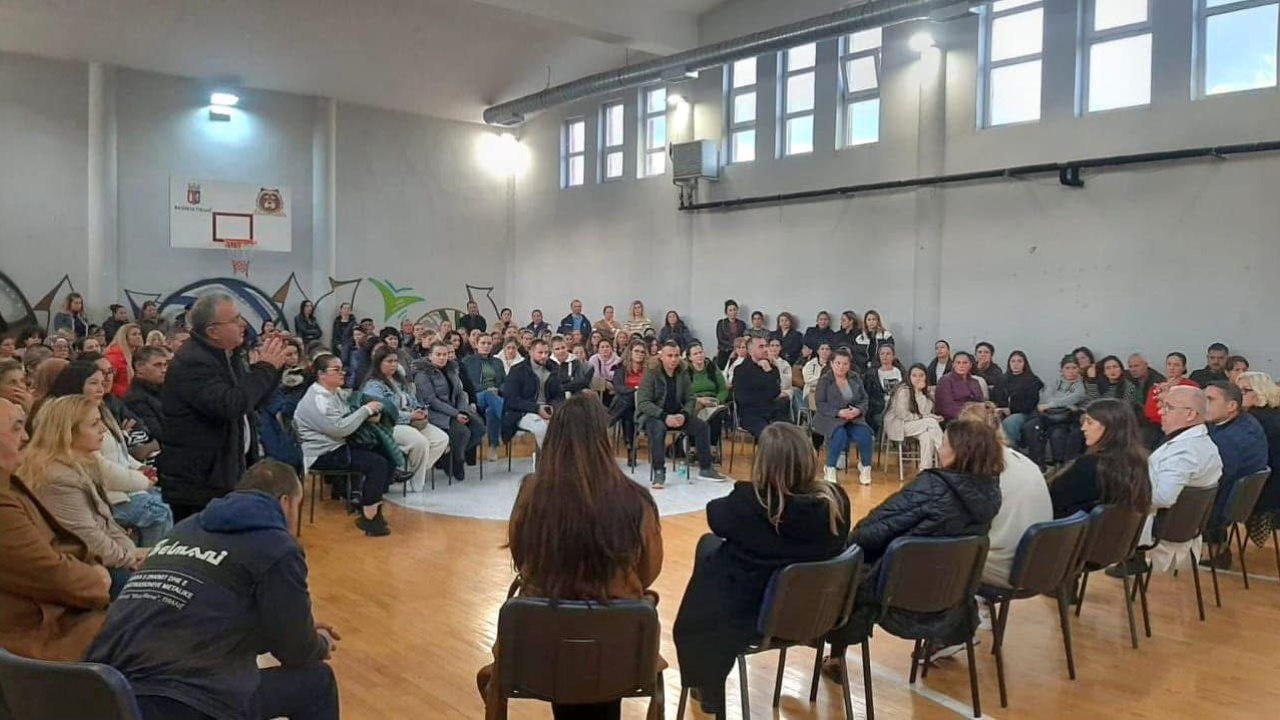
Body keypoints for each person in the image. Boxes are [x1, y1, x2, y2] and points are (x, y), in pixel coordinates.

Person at [86, 460, 340, 720]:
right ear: (285, 502)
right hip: (182, 701)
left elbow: (207, 620)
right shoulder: (277, 547)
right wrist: (316, 642)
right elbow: (295, 651)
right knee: (317, 682)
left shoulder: (184, 530)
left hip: (103, 694)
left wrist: (294, 626)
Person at [477, 394, 662, 720]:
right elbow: (648, 572)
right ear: (603, 439)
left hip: (544, 642)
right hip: (616, 644)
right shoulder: (637, 499)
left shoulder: (531, 493)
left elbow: (522, 560)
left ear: (555, 439)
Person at [674, 424, 849, 715]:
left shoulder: (748, 506)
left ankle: (706, 682)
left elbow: (715, 515)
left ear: (763, 463)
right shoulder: (835, 504)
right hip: (816, 613)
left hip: (757, 617)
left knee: (709, 548)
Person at [822, 419, 1003, 674]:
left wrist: (848, 543)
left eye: (945, 444)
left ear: (960, 452)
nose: (939, 449)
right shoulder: (990, 493)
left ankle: (836, 656)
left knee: (849, 563)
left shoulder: (932, 487)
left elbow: (872, 529)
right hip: (950, 596)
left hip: (897, 595)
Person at [0, 397, 111, 661]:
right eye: (16, 428)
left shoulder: (9, 484)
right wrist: (97, 579)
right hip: (43, 633)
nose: (25, 436)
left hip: (64, 609)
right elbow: (46, 573)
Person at [158, 293, 286, 522]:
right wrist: (265, 368)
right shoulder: (193, 362)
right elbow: (230, 405)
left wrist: (274, 367)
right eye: (235, 319)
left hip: (227, 472)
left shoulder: (228, 355)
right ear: (213, 331)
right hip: (200, 483)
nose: (243, 324)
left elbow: (252, 401)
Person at [20, 395, 149, 589]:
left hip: (101, 557)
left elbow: (105, 523)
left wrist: (132, 552)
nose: (103, 429)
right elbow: (87, 537)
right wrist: (130, 559)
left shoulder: (82, 463)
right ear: (69, 432)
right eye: (94, 424)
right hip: (79, 567)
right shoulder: (59, 477)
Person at [45, 362, 173, 547]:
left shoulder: (102, 409)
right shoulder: (70, 419)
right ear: (76, 384)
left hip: (122, 487)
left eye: (103, 379)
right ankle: (152, 561)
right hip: (109, 495)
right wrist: (142, 480)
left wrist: (140, 468)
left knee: (167, 496)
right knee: (159, 512)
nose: (102, 386)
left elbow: (121, 449)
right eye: (93, 383)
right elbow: (99, 468)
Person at [956, 403, 1052, 588]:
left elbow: (959, 522)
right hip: (1037, 562)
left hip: (1005, 567)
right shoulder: (1023, 460)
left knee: (926, 555)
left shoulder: (982, 466)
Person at [1129, 385, 1223, 575]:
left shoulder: (1185, 452)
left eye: (1168, 407)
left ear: (1190, 414)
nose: (1160, 412)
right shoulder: (1201, 443)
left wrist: (1124, 490)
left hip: (1162, 527)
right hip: (1183, 525)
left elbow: (1164, 497)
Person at [295, 354, 391, 536]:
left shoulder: (334, 392)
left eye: (342, 369)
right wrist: (366, 410)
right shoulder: (318, 399)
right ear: (321, 374)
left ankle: (370, 504)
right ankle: (369, 517)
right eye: (336, 370)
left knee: (383, 451)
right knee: (377, 464)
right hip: (323, 454)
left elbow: (347, 413)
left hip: (337, 446)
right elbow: (339, 429)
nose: (343, 373)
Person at [636, 343, 725, 488]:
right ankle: (659, 471)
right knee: (658, 429)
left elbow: (690, 398)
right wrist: (665, 416)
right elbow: (643, 402)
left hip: (678, 415)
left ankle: (706, 468)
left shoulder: (682, 373)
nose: (674, 359)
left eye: (676, 355)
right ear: (661, 357)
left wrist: (684, 414)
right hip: (655, 415)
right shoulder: (651, 374)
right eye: (670, 356)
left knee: (702, 427)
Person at [1047, 398, 1152, 520]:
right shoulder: (1138, 463)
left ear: (1109, 426)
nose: (1083, 428)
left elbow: (1052, 499)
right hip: (1116, 530)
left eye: (1089, 422)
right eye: (1083, 421)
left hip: (1071, 529)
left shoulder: (1089, 466)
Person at [1202, 381, 1269, 569]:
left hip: (1219, 506)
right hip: (1235, 503)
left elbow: (1213, 477)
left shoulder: (1229, 440)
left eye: (1210, 399)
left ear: (1231, 406)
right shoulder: (1246, 423)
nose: (1203, 404)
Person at [362, 346, 449, 491]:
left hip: (412, 420)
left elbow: (412, 400)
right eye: (389, 361)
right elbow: (383, 411)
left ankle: (408, 474)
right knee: (420, 442)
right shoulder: (373, 386)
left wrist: (420, 409)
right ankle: (415, 484)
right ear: (379, 363)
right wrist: (409, 416)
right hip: (390, 424)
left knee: (441, 439)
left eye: (395, 361)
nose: (394, 365)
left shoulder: (399, 381)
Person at [414, 342, 484, 482]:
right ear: (430, 356)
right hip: (436, 413)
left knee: (479, 428)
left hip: (456, 410)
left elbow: (461, 393)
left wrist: (462, 411)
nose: (442, 358)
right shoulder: (422, 374)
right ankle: (458, 461)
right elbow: (432, 400)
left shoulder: (452, 369)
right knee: (462, 433)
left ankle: (449, 455)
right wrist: (455, 414)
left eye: (445, 354)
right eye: (438, 354)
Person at [812, 349, 875, 485]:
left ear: (849, 365)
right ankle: (830, 467)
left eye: (845, 364)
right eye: (838, 363)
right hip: (830, 418)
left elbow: (864, 399)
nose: (841, 367)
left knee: (865, 434)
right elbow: (820, 403)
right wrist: (839, 412)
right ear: (832, 364)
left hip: (853, 418)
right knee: (839, 434)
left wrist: (858, 410)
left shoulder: (855, 377)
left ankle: (865, 467)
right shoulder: (825, 380)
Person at [1021, 355, 1089, 470]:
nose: (1071, 371)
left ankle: (1060, 467)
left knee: (1057, 433)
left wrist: (1052, 404)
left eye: (1074, 368)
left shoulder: (1081, 385)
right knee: (1030, 426)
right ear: (1061, 370)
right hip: (1048, 414)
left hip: (1066, 418)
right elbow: (1045, 398)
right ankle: (1038, 465)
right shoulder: (1054, 382)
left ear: (1079, 369)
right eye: (1067, 368)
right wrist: (1061, 404)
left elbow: (1074, 398)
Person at [1237, 372, 1280, 549]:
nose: (1239, 395)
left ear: (1261, 392)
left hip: (1265, 490)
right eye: (1237, 390)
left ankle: (1218, 547)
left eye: (1245, 390)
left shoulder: (1254, 421)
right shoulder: (1272, 414)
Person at [501, 338, 563, 450]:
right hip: (523, 412)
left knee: (567, 426)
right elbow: (511, 400)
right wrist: (537, 408)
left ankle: (559, 458)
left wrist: (553, 408)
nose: (544, 356)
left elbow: (559, 396)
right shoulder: (517, 370)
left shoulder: (554, 369)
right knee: (542, 429)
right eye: (540, 353)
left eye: (547, 353)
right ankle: (547, 459)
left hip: (549, 410)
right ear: (530, 352)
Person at [884, 364, 945, 469]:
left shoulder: (925, 393)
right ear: (909, 377)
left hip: (916, 424)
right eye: (914, 375)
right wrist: (927, 417)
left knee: (927, 437)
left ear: (926, 377)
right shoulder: (903, 390)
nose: (918, 378)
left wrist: (919, 393)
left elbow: (924, 412)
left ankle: (924, 470)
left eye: (921, 375)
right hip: (899, 425)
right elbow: (902, 414)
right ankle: (946, 455)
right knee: (931, 422)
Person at [732, 336, 790, 439]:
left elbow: (775, 393)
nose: (765, 349)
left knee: (790, 433)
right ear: (751, 351)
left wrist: (768, 371)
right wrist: (764, 397)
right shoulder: (741, 370)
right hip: (750, 414)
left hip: (771, 410)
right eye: (761, 346)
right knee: (768, 435)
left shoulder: (772, 368)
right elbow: (741, 398)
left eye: (766, 346)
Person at [461, 334, 507, 460]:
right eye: (483, 343)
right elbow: (468, 383)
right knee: (488, 394)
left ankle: (493, 447)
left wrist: (498, 389)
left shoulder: (497, 362)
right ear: (476, 345)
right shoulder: (467, 361)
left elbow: (504, 381)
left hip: (495, 396)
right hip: (477, 396)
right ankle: (507, 418)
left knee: (491, 410)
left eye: (489, 343)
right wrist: (487, 389)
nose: (486, 346)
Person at [993, 350, 1043, 449]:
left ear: (1025, 364)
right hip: (1002, 411)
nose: (1016, 364)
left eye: (1019, 361)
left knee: (1009, 423)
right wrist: (999, 409)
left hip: (1024, 413)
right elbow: (996, 397)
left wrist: (1011, 409)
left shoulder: (1032, 380)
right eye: (1013, 361)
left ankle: (1011, 451)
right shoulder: (1001, 379)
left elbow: (1031, 403)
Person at [686, 342, 729, 453]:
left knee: (717, 413)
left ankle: (712, 448)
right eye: (695, 354)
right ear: (690, 357)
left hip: (713, 401)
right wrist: (698, 399)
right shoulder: (685, 372)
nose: (699, 355)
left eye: (700, 352)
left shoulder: (712, 369)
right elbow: (684, 392)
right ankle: (693, 448)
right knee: (691, 410)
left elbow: (723, 389)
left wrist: (717, 400)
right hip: (696, 401)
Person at [122, 346, 169, 446]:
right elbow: (157, 433)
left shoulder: (163, 389)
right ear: (139, 367)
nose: (164, 370)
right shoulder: (135, 399)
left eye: (165, 365)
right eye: (157, 365)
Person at [1143, 352, 1199, 427]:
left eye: (1176, 365)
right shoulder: (1156, 388)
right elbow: (1149, 412)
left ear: (1183, 367)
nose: (1172, 368)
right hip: (1157, 425)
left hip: (1183, 424)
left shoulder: (1191, 386)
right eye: (1169, 364)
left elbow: (1194, 409)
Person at [864, 344, 904, 434]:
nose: (885, 356)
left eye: (888, 353)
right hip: (881, 409)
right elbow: (868, 396)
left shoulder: (901, 371)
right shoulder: (871, 374)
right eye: (882, 353)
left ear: (893, 356)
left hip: (901, 406)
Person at [934, 351, 984, 421]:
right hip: (954, 419)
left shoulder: (975, 382)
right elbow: (946, 408)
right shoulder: (945, 381)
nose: (961, 366)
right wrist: (969, 415)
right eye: (958, 363)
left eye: (965, 363)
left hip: (976, 416)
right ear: (953, 365)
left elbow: (981, 401)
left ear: (970, 365)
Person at [103, 323, 143, 397]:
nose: (138, 337)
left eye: (139, 334)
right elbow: (108, 382)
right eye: (134, 334)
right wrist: (126, 393)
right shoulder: (114, 357)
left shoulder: (136, 355)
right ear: (125, 338)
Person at [714, 300, 746, 370]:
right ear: (726, 312)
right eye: (730, 310)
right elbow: (720, 339)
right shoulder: (721, 323)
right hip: (725, 350)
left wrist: (736, 349)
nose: (733, 312)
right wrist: (734, 346)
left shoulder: (742, 324)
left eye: (734, 310)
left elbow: (742, 339)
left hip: (738, 352)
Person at [802, 341, 833, 409]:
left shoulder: (834, 365)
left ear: (830, 352)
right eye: (822, 349)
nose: (824, 351)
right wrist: (824, 380)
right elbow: (808, 380)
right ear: (818, 351)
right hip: (811, 392)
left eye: (827, 349)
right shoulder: (810, 364)